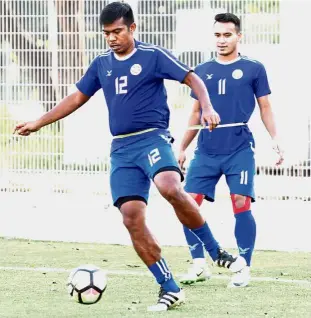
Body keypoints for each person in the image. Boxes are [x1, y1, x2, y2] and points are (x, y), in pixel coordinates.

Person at [14, 3, 245, 311]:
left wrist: (208, 107)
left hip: (152, 137)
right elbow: (77, 97)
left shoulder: (152, 56)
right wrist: (39, 122)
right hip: (121, 149)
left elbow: (193, 79)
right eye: (106, 33)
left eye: (118, 31)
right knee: (131, 218)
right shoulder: (101, 64)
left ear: (132, 28)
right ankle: (169, 287)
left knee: (170, 187)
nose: (111, 38)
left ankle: (215, 251)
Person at [178, 13, 284, 288]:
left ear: (239, 36)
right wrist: (181, 148)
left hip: (239, 147)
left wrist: (275, 138)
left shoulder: (254, 68)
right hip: (207, 148)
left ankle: (243, 266)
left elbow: (266, 107)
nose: (222, 40)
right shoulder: (201, 71)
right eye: (217, 35)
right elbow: (195, 112)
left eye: (227, 35)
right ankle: (199, 265)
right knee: (187, 204)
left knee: (240, 202)